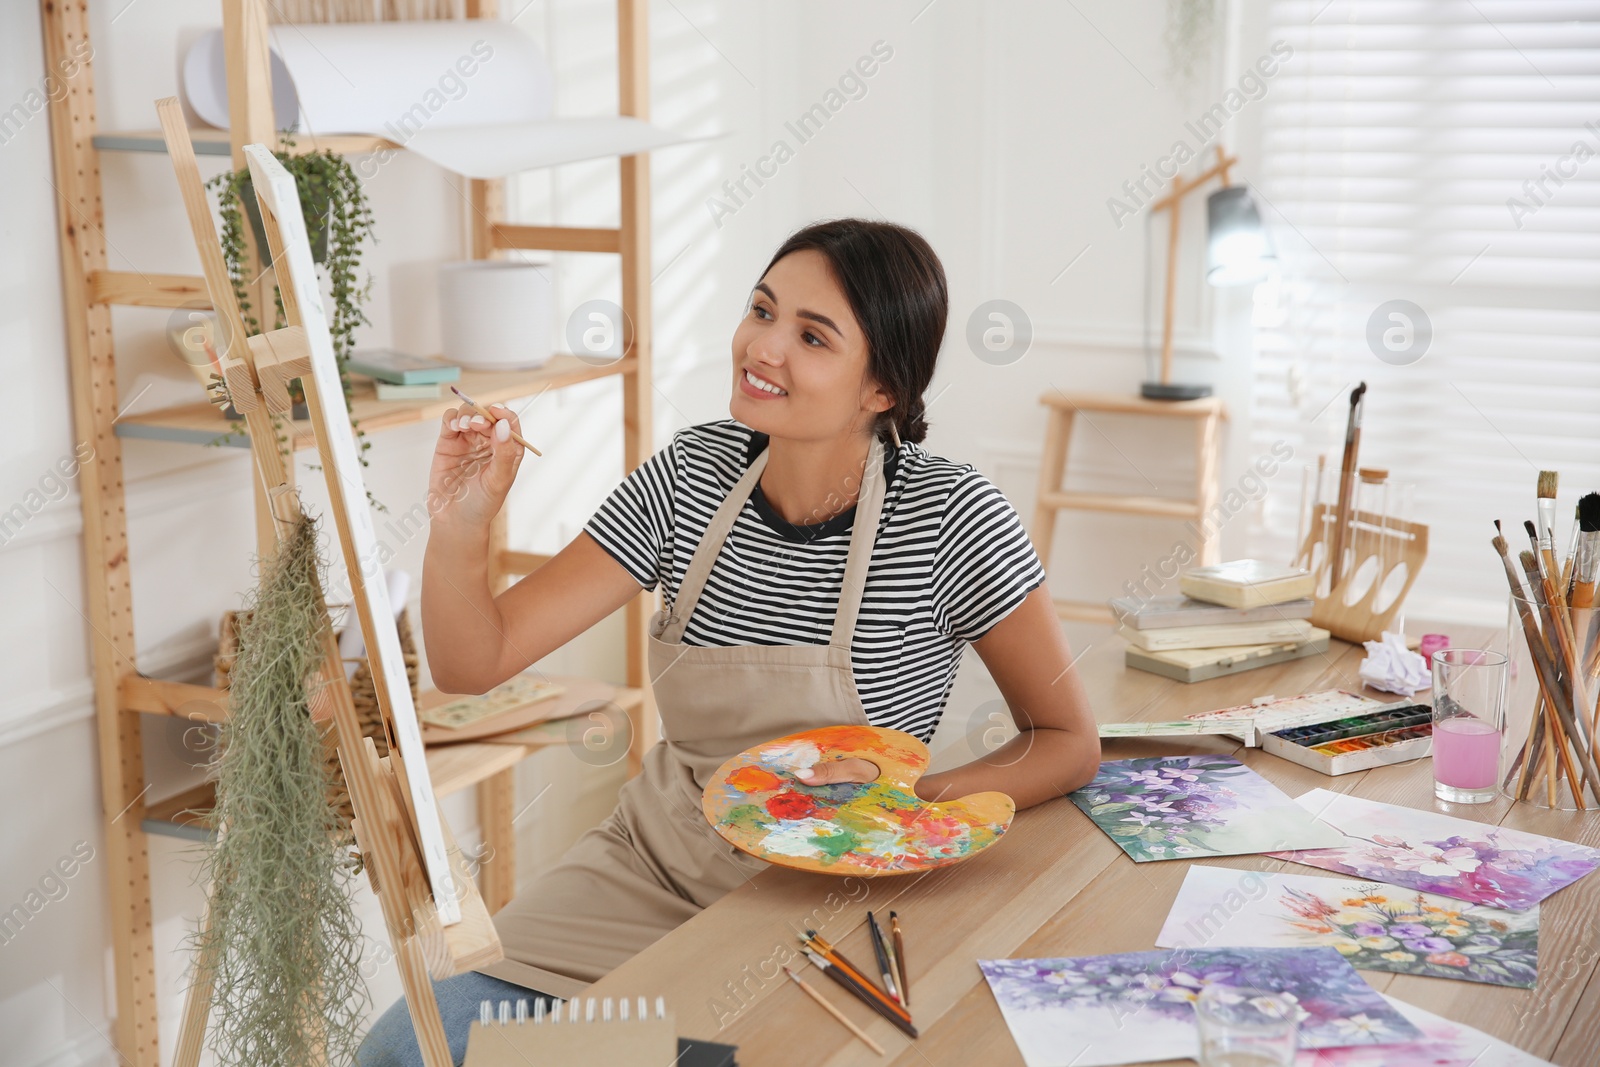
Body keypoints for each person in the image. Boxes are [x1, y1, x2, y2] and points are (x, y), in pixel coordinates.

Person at [358, 218, 1100, 1065]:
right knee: (406, 1051)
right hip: (649, 869)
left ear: (882, 388)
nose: (764, 346)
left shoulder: (950, 517)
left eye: (812, 336)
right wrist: (461, 523)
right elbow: (470, 661)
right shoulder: (690, 476)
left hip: (827, 892)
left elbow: (1067, 740)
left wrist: (912, 799)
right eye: (762, 309)